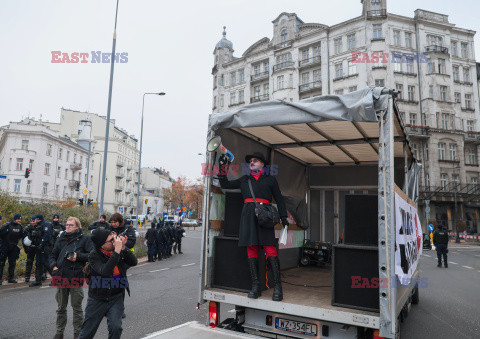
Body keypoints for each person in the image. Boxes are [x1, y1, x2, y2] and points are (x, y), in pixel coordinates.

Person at [218, 152, 289, 301]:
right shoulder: (245, 179)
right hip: (248, 216)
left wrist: (283, 217)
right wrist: (223, 167)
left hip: (265, 217)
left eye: (255, 160)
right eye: (250, 161)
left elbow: (280, 200)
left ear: (263, 164)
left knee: (270, 248)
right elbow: (225, 184)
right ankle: (255, 286)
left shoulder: (270, 180)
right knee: (251, 249)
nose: (251, 162)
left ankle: (277, 287)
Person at [78, 228, 137, 339]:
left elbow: (133, 262)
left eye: (114, 238)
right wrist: (117, 251)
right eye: (111, 240)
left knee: (116, 328)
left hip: (116, 297)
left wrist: (123, 248)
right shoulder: (94, 256)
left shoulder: (117, 250)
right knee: (87, 333)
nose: (114, 241)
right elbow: (105, 271)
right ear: (102, 245)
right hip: (97, 299)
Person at [49, 217, 94, 339]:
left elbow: (92, 255)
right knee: (60, 308)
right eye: (67, 224)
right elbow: (52, 255)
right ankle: (59, 333)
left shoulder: (84, 239)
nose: (68, 226)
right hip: (61, 276)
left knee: (77, 308)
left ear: (77, 227)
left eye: (71, 225)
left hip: (76, 277)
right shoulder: (61, 238)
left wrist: (77, 256)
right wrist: (54, 268)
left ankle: (78, 333)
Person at [28, 214, 53, 287]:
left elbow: (47, 235)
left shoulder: (46, 225)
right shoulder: (36, 226)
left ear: (38, 219)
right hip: (38, 247)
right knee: (38, 263)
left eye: (35, 219)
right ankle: (38, 280)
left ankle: (56, 279)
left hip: (45, 247)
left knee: (47, 263)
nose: (34, 221)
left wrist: (41, 244)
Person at [0, 214, 24, 284]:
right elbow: (1, 234)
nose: (19, 220)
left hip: (13, 247)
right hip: (5, 246)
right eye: (18, 219)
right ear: (15, 219)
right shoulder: (7, 225)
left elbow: (21, 235)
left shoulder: (20, 227)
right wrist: (6, 232)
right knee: (1, 263)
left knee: (12, 263)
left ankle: (11, 278)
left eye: (20, 219)